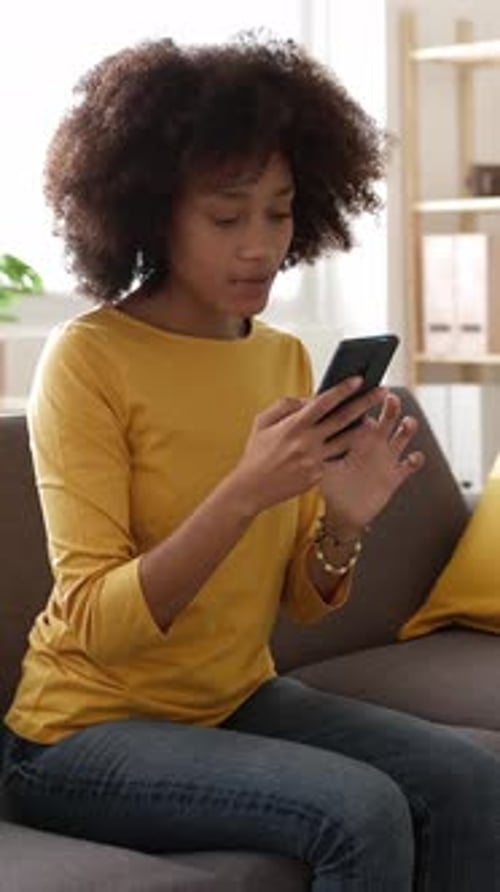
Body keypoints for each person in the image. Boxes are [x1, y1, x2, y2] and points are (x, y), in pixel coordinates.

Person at [2, 33, 500, 892]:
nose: (260, 245)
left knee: (472, 779)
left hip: (233, 699)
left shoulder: (281, 357)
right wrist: (244, 491)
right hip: (79, 734)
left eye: (280, 212)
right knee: (361, 813)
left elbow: (300, 602)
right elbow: (95, 624)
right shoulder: (89, 359)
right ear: (153, 213)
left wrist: (344, 520)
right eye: (227, 217)